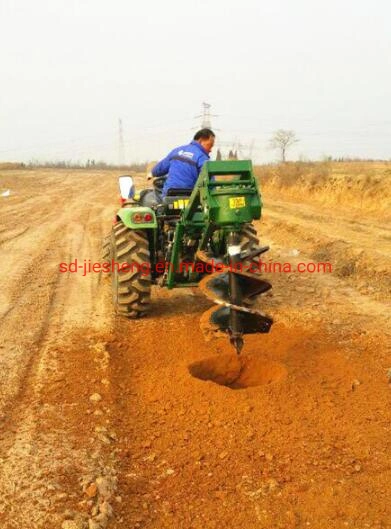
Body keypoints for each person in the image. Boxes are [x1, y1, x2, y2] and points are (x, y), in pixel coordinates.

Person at [142, 129, 215, 206]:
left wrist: (152, 173)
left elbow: (162, 166)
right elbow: (209, 179)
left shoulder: (177, 151)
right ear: (201, 141)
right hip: (190, 198)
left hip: (169, 194)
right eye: (209, 145)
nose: (210, 150)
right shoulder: (202, 157)